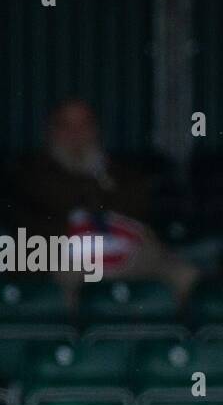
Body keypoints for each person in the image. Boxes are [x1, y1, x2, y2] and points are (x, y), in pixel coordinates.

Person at [8, 98, 198, 305]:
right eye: (66, 126)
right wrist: (98, 184)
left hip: (127, 252)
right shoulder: (31, 171)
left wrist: (95, 181)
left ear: (95, 130)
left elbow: (138, 203)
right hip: (66, 256)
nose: (76, 134)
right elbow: (54, 199)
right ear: (51, 132)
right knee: (66, 279)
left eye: (84, 125)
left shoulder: (118, 171)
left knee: (186, 275)